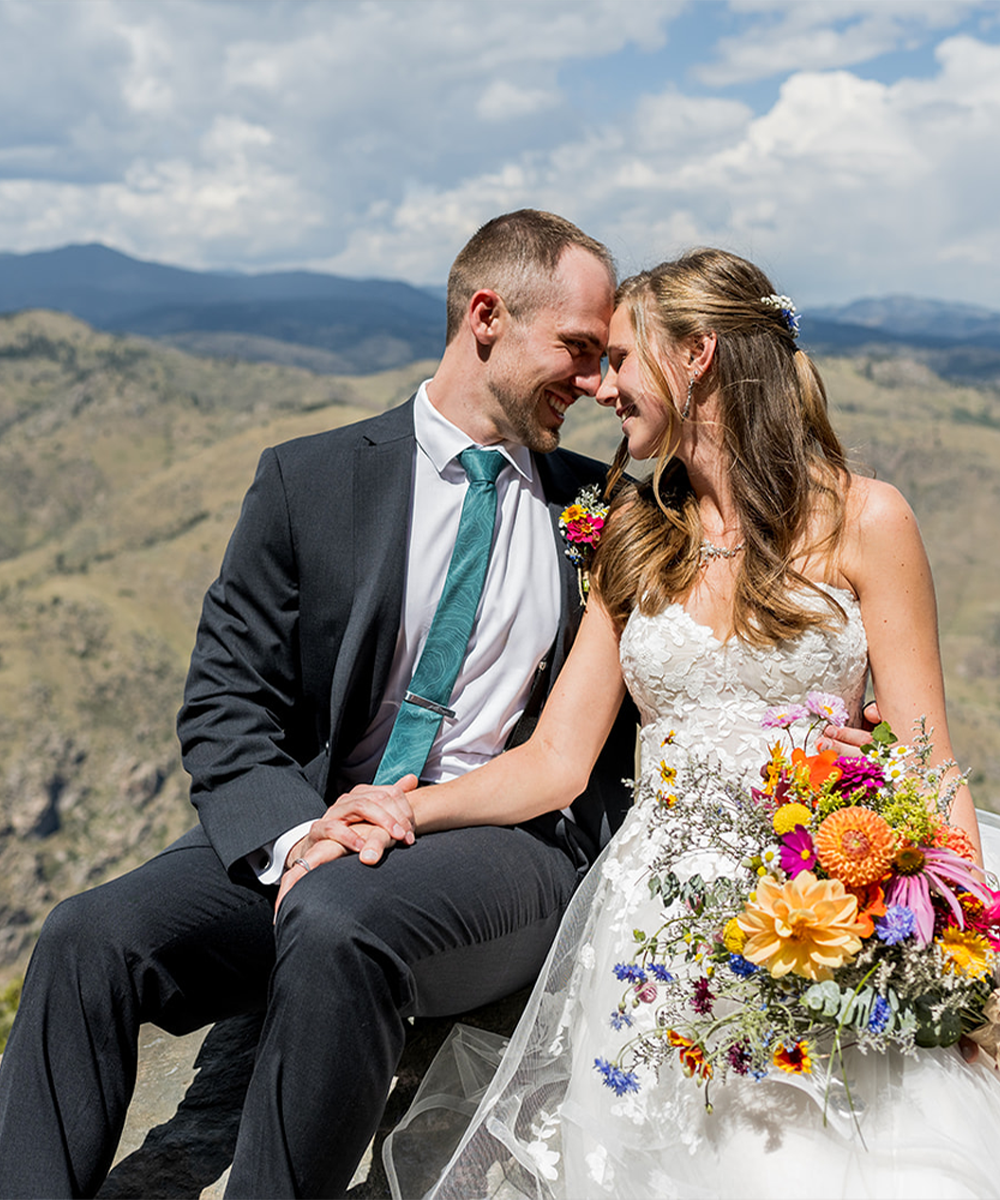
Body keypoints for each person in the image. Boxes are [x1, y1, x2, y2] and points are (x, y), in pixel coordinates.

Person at [0, 210, 641, 1199]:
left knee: (341, 918)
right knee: (87, 936)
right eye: (578, 350)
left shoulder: (609, 513)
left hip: (505, 847)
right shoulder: (308, 479)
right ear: (486, 315)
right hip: (316, 830)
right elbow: (225, 701)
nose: (598, 386)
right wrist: (299, 841)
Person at [350, 248, 1000, 1199]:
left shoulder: (868, 520)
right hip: (658, 930)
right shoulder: (636, 532)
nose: (599, 386)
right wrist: (405, 808)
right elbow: (557, 761)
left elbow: (928, 763)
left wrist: (973, 962)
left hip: (819, 909)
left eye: (619, 359)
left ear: (696, 356)